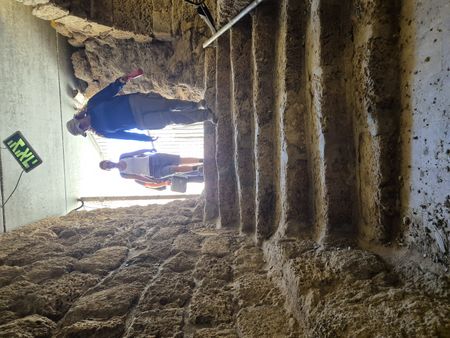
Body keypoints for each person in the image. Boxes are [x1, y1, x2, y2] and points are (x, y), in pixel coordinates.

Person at [66, 69, 215, 141]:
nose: (85, 128)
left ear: (78, 118)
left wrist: (122, 81)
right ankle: (206, 115)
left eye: (81, 126)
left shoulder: (92, 104)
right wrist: (145, 139)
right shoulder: (102, 132)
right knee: (171, 118)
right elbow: (126, 136)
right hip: (141, 122)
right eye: (83, 131)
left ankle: (196, 105)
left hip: (135, 103)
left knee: (167, 104)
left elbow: (108, 92)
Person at [99, 149, 203, 187]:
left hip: (154, 159)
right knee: (174, 169)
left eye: (107, 163)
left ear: (108, 160)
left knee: (179, 160)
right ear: (108, 169)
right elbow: (139, 177)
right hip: (154, 172)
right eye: (107, 166)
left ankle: (201, 160)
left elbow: (137, 152)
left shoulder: (123, 156)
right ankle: (197, 168)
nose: (109, 165)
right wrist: (153, 181)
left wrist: (148, 149)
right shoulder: (123, 174)